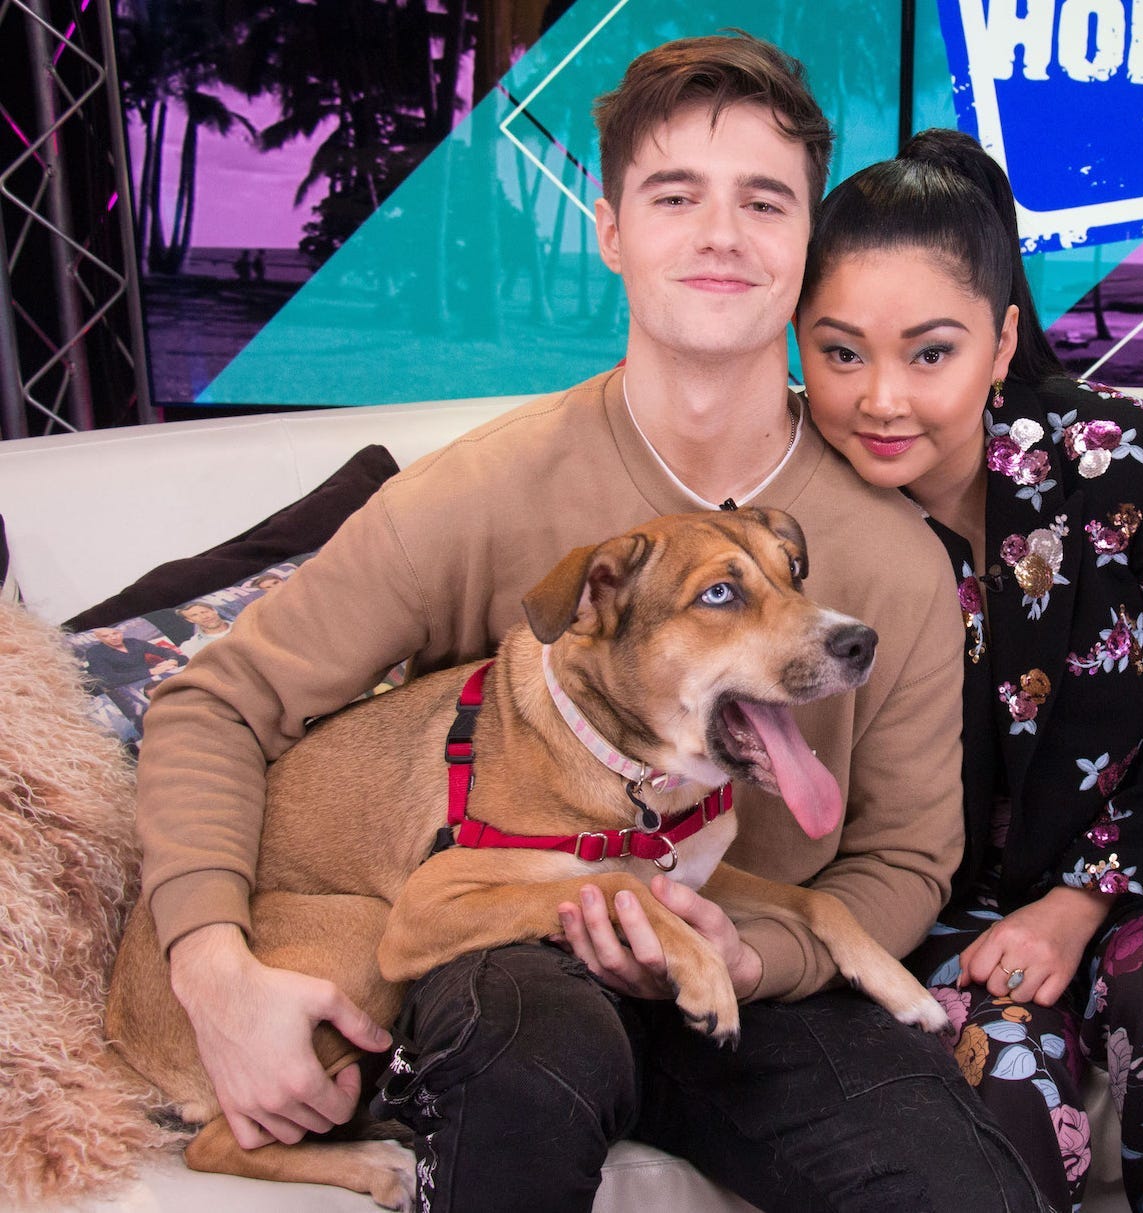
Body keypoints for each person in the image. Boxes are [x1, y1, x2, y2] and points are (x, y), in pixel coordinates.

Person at [136, 35, 1041, 1213]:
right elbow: (216, 702)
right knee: (518, 1079)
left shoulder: (895, 561)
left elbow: (907, 858)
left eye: (763, 200)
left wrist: (762, 955)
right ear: (610, 229)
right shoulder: (473, 496)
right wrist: (212, 967)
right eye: (676, 196)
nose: (721, 233)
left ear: (803, 244)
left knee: (963, 1185)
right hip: (516, 953)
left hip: (750, 973)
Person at [796, 129, 1143, 1213]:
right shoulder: (791, 515)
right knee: (1002, 1084)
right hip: (940, 894)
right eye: (840, 352)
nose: (880, 398)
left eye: (928, 352)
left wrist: (1080, 901)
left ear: (998, 342)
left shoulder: (1131, 460)